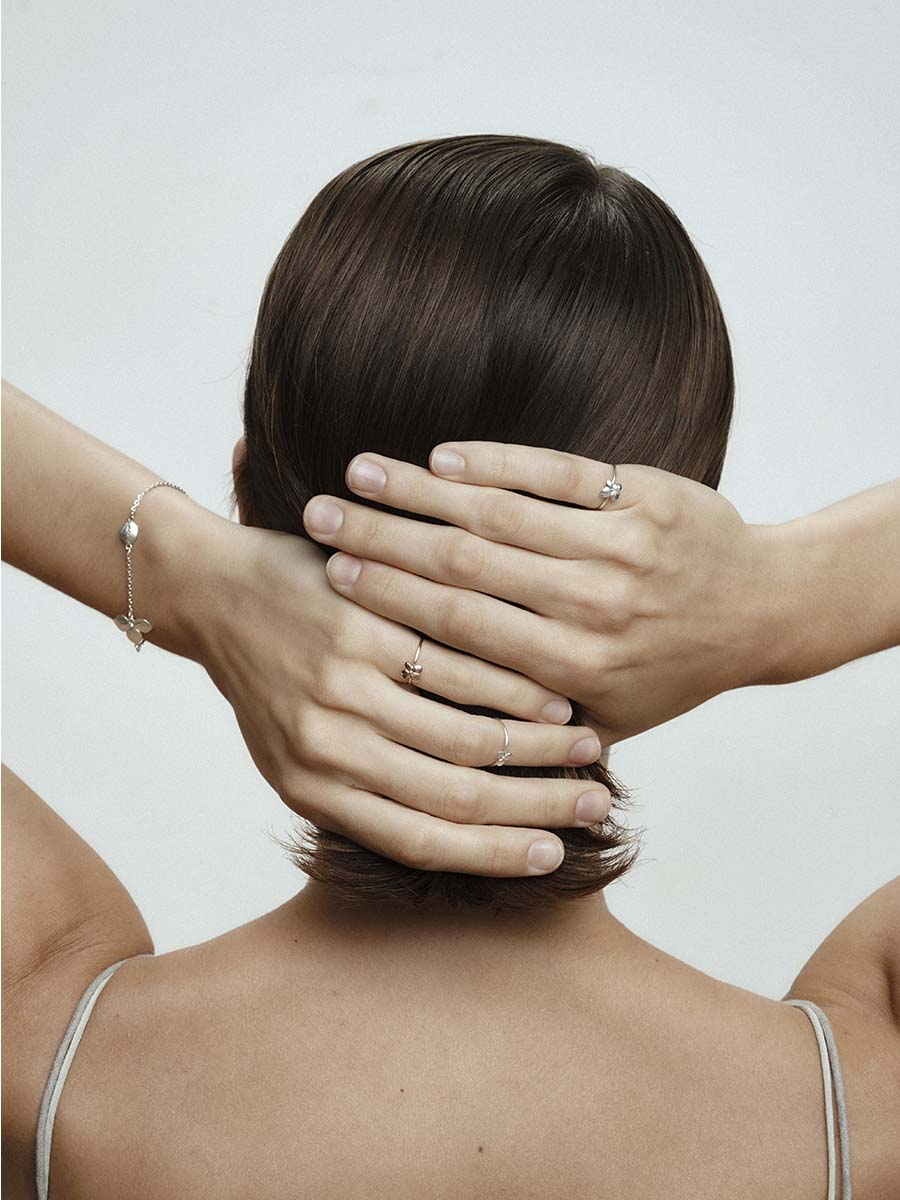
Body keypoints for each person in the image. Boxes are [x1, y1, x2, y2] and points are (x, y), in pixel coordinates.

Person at [2, 134, 898, 1199]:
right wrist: (792, 597)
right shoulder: (856, 1099)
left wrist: (176, 570)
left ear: (247, 498)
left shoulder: (52, 1047)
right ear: (677, 547)